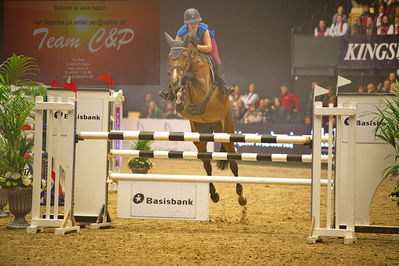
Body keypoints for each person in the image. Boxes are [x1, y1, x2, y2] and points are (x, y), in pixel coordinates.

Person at [159, 8, 233, 101]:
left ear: (198, 21)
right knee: (179, 62)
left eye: (195, 22)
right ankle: (170, 89)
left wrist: (196, 46)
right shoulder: (181, 32)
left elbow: (208, 48)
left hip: (206, 44)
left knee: (216, 58)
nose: (194, 24)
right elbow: (177, 49)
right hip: (190, 48)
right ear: (187, 23)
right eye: (191, 23)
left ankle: (223, 84)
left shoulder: (204, 29)